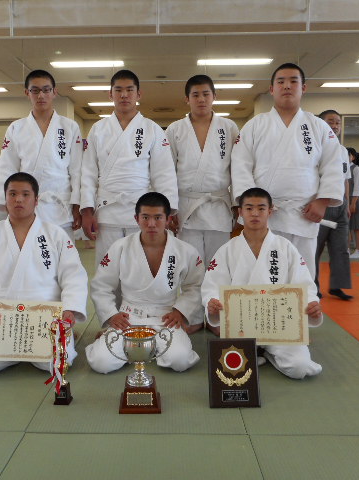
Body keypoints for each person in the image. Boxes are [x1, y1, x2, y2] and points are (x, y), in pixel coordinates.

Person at [0, 172, 88, 374]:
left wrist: (70, 308)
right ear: (5, 199)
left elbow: (74, 276)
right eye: (13, 194)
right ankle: (17, 352)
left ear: (36, 200)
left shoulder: (55, 234)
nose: (18, 199)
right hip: (4, 317)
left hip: (45, 316)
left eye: (25, 194)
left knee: (58, 361)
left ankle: (58, 342)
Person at [231, 62, 344, 280]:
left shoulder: (318, 126)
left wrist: (322, 201)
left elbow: (333, 165)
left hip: (304, 213)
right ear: (271, 89)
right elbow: (240, 165)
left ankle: (303, 304)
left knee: (301, 276)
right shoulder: (255, 125)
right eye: (281, 82)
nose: (287, 86)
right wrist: (249, 205)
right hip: (263, 215)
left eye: (293, 81)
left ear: (304, 88)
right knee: (261, 275)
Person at [201, 187, 323, 379]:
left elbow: (304, 284)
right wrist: (213, 304)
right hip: (241, 326)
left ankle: (268, 354)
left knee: (300, 368)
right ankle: (257, 352)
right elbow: (212, 286)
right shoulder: (227, 250)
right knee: (232, 369)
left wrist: (311, 305)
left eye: (261, 208)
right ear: (240, 212)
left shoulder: (285, 247)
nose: (255, 213)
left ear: (270, 211)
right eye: (249, 208)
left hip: (279, 325)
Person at [85, 192, 202, 374]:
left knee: (180, 360)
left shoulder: (185, 250)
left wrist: (181, 311)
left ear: (168, 219)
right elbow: (102, 285)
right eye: (145, 217)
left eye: (158, 217)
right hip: (128, 316)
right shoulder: (120, 247)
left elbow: (195, 285)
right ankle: (126, 343)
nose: (151, 224)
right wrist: (111, 315)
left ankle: (152, 346)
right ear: (136, 219)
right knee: (101, 362)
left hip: (166, 317)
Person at [80, 69, 179, 264]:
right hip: (107, 210)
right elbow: (88, 172)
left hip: (142, 212)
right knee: (108, 269)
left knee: (140, 268)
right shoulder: (98, 129)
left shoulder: (153, 129)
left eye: (129, 90)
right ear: (110, 94)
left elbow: (164, 174)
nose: (124, 95)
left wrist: (166, 212)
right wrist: (87, 210)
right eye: (118, 90)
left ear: (138, 94)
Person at [165, 74, 239, 333]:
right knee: (191, 265)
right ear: (187, 99)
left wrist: (237, 203)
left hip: (218, 204)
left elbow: (238, 168)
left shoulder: (228, 128)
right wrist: (170, 208)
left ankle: (216, 316)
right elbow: (167, 171)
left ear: (214, 96)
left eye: (206, 94)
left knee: (219, 264)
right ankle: (193, 315)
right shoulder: (175, 130)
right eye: (195, 95)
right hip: (187, 206)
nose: (201, 99)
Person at [0, 69, 83, 240]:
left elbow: (77, 170)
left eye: (46, 90)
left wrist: (78, 204)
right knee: (29, 253)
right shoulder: (16, 128)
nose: (41, 95)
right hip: (26, 205)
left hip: (60, 206)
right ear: (27, 93)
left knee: (61, 254)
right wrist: (6, 202)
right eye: (35, 90)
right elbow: (6, 168)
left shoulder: (70, 127)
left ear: (54, 92)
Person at [314, 110, 353, 301]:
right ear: (320, 124)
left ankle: (337, 285)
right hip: (321, 204)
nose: (335, 126)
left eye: (338, 122)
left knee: (341, 247)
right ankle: (312, 285)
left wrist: (347, 203)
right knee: (314, 248)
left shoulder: (343, 151)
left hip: (340, 206)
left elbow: (345, 179)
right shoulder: (314, 148)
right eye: (331, 122)